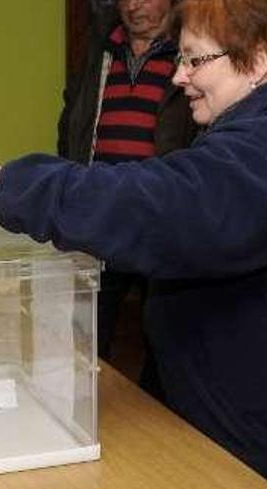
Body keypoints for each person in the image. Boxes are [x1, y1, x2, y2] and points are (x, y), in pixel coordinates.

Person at [0, 1, 267, 489]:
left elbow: (170, 208)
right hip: (204, 425)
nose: (179, 77)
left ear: (261, 58)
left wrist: (10, 190)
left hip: (264, 459)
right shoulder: (255, 126)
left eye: (195, 60)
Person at [59, 0, 198, 368]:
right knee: (87, 334)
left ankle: (158, 418)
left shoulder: (190, 55)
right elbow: (72, 117)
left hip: (161, 218)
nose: (133, 6)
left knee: (167, 335)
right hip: (102, 215)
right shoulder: (101, 48)